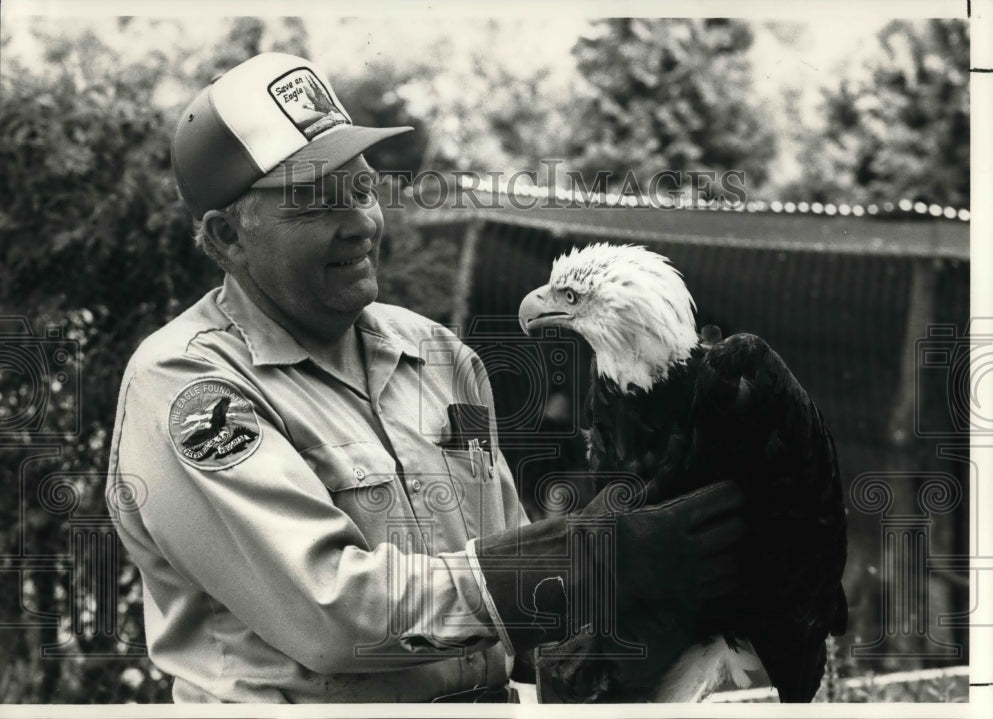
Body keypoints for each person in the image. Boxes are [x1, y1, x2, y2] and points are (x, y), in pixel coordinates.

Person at [106, 52, 746, 703]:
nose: (359, 221)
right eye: (315, 203)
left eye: (360, 189)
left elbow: (505, 601)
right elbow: (334, 614)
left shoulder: (437, 355)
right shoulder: (192, 387)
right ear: (227, 236)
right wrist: (582, 557)